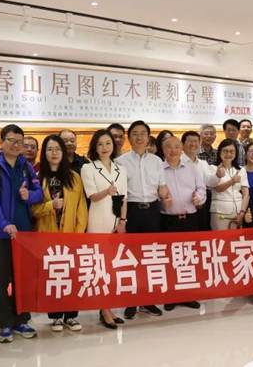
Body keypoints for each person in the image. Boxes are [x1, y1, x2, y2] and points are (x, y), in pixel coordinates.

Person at [0, 124, 43, 342]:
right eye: (11, 141)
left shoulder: (26, 167)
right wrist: (3, 223)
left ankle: (21, 320)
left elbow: (39, 193)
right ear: (1, 142)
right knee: (0, 280)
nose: (16, 145)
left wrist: (29, 196)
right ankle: (5, 323)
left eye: (19, 142)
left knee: (22, 279)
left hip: (24, 233)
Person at [32, 135, 88, 332]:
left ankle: (71, 316)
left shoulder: (74, 177)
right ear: (44, 153)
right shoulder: (37, 177)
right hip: (47, 236)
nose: (54, 153)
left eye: (57, 149)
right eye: (50, 149)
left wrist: (78, 235)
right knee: (53, 276)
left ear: (63, 152)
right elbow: (33, 210)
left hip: (70, 236)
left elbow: (81, 208)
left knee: (72, 275)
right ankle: (55, 316)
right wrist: (50, 205)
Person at [115, 120, 167, 319]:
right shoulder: (120, 162)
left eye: (143, 133)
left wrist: (167, 196)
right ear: (129, 138)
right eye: (135, 133)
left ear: (148, 137)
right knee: (131, 259)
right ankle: (131, 302)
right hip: (132, 212)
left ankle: (148, 301)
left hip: (153, 211)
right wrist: (122, 219)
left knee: (150, 257)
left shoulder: (156, 161)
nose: (139, 137)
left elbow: (162, 188)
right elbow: (120, 194)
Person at [81, 129, 128, 328]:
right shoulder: (88, 168)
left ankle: (108, 307)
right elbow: (92, 196)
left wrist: (123, 221)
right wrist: (107, 191)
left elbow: (124, 198)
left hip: (116, 222)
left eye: (108, 143)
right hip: (98, 220)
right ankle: (104, 309)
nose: (104, 147)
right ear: (95, 147)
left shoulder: (121, 169)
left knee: (113, 268)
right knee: (101, 268)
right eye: (100, 144)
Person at [159, 135, 205, 311]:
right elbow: (153, 192)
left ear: (181, 149)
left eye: (176, 147)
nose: (173, 150)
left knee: (188, 258)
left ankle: (188, 294)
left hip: (190, 219)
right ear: (163, 150)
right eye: (169, 147)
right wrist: (162, 201)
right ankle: (171, 296)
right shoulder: (158, 169)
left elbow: (201, 189)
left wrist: (198, 197)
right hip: (168, 220)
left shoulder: (192, 168)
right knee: (170, 259)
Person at [206, 139, 248, 230]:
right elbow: (217, 188)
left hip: (238, 212)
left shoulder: (241, 170)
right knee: (221, 238)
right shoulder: (213, 168)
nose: (228, 154)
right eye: (225, 151)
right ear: (219, 152)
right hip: (220, 213)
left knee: (236, 238)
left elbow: (246, 194)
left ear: (236, 153)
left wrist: (242, 212)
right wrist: (232, 181)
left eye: (232, 151)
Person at [181, 130, 213, 230]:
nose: (193, 144)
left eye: (196, 141)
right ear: (182, 144)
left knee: (202, 235)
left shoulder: (203, 163)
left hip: (201, 207)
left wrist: (217, 176)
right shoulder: (177, 162)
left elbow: (209, 182)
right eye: (190, 141)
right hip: (184, 209)